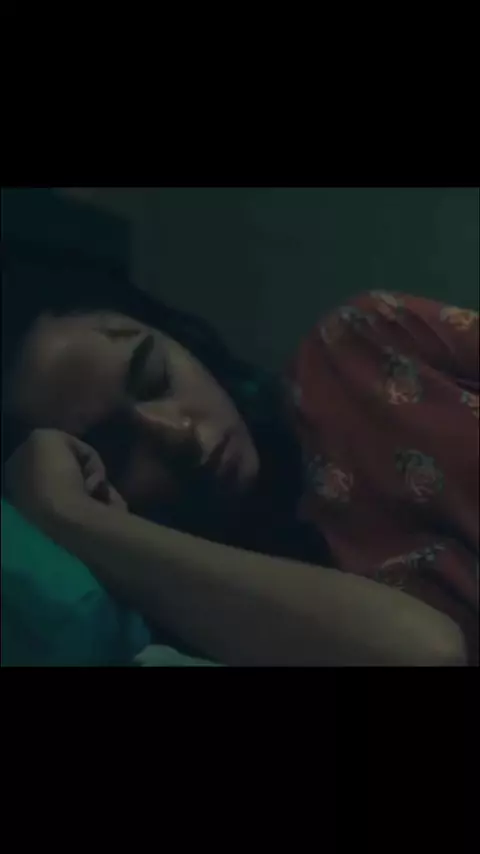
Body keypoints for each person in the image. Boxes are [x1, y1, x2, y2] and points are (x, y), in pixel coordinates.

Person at [2, 266, 478, 665]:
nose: (178, 433)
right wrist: (71, 516)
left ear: (175, 335)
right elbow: (424, 656)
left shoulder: (360, 349)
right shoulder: (201, 622)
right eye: (117, 450)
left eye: (155, 376)